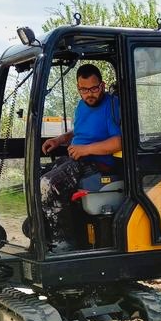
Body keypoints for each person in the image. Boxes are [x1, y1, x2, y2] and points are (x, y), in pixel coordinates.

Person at [39, 64, 122, 249]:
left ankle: (64, 245)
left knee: (48, 185)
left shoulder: (112, 106)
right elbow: (82, 130)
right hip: (78, 158)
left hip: (97, 163)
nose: (89, 94)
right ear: (78, 89)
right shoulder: (81, 106)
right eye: (84, 90)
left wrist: (86, 149)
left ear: (102, 85)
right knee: (37, 177)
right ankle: (47, 236)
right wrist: (61, 139)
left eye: (93, 88)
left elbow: (119, 142)